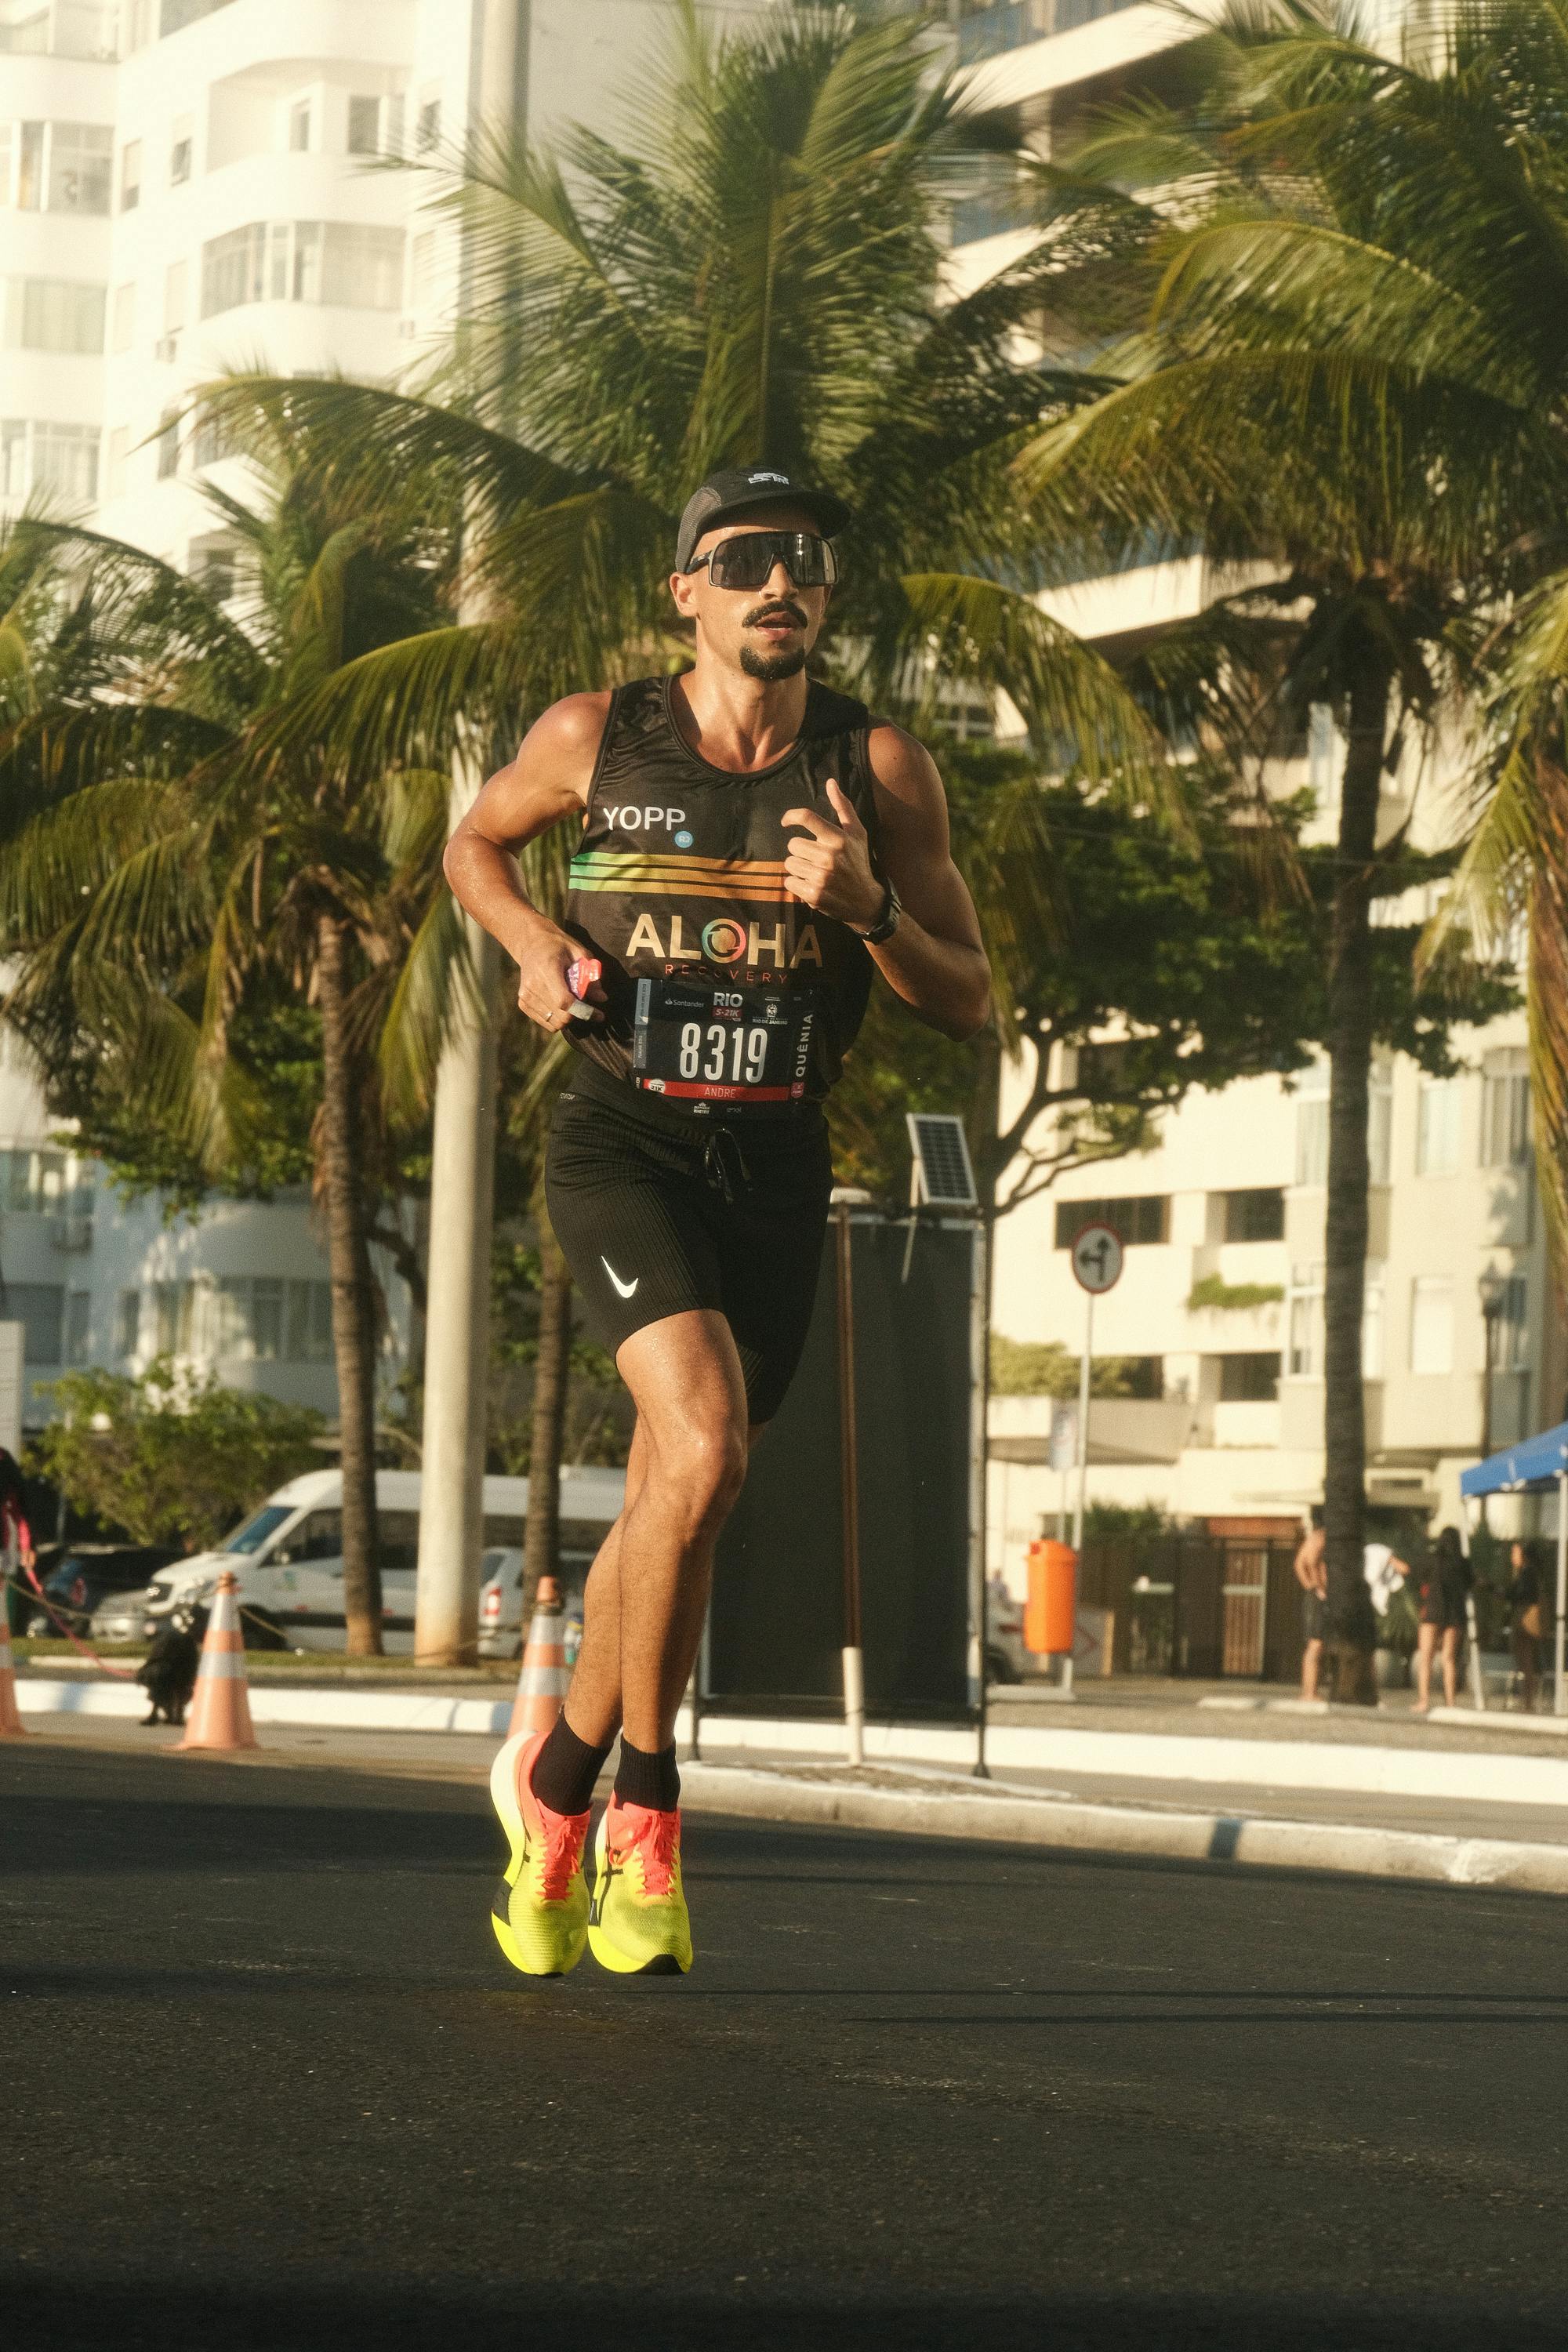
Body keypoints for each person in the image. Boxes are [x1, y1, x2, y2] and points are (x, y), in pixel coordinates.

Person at [445, 466, 989, 1977]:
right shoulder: (594, 735)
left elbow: (969, 993)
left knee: (676, 1497)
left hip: (775, 1158)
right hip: (625, 1137)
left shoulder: (876, 767)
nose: (777, 584)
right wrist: (535, 939)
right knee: (704, 1445)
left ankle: (546, 1789)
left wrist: (870, 907)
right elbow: (472, 847)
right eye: (742, 559)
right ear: (685, 589)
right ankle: (647, 1819)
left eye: (803, 559)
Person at [1414, 1525, 1471, 1713]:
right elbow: (1470, 1583)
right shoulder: (1462, 1563)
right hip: (1455, 1614)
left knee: (1426, 1658)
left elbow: (1419, 1578)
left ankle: (1424, 1701)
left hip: (1432, 1611)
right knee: (1449, 1659)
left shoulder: (1431, 1560)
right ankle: (1451, 1702)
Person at [1508, 1537, 1548, 1714]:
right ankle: (1527, 1700)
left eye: (1515, 1553)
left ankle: (1528, 1701)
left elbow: (1519, 1594)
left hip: (1526, 1619)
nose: (1512, 1557)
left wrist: (1500, 1591)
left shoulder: (1526, 1573)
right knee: (1526, 1660)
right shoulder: (1531, 1573)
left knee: (1526, 1661)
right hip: (1528, 1618)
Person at [1294, 1508, 1327, 1698]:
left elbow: (1298, 1564)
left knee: (1313, 1644)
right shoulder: (1322, 1538)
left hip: (1312, 1593)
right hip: (1318, 1595)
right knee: (1316, 1644)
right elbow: (1313, 1562)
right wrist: (1319, 1588)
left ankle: (1308, 1691)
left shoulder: (1312, 1538)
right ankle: (1310, 1692)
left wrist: (1308, 1585)